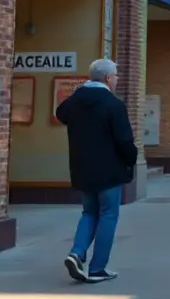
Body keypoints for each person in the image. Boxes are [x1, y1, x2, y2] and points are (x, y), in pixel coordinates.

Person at [57, 58, 138, 284]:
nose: (117, 79)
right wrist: (131, 158)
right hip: (109, 170)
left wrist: (79, 91)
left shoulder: (75, 101)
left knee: (89, 212)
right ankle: (97, 267)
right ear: (108, 78)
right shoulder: (113, 104)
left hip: (82, 168)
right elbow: (124, 140)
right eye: (116, 75)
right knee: (108, 215)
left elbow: (60, 113)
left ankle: (77, 252)